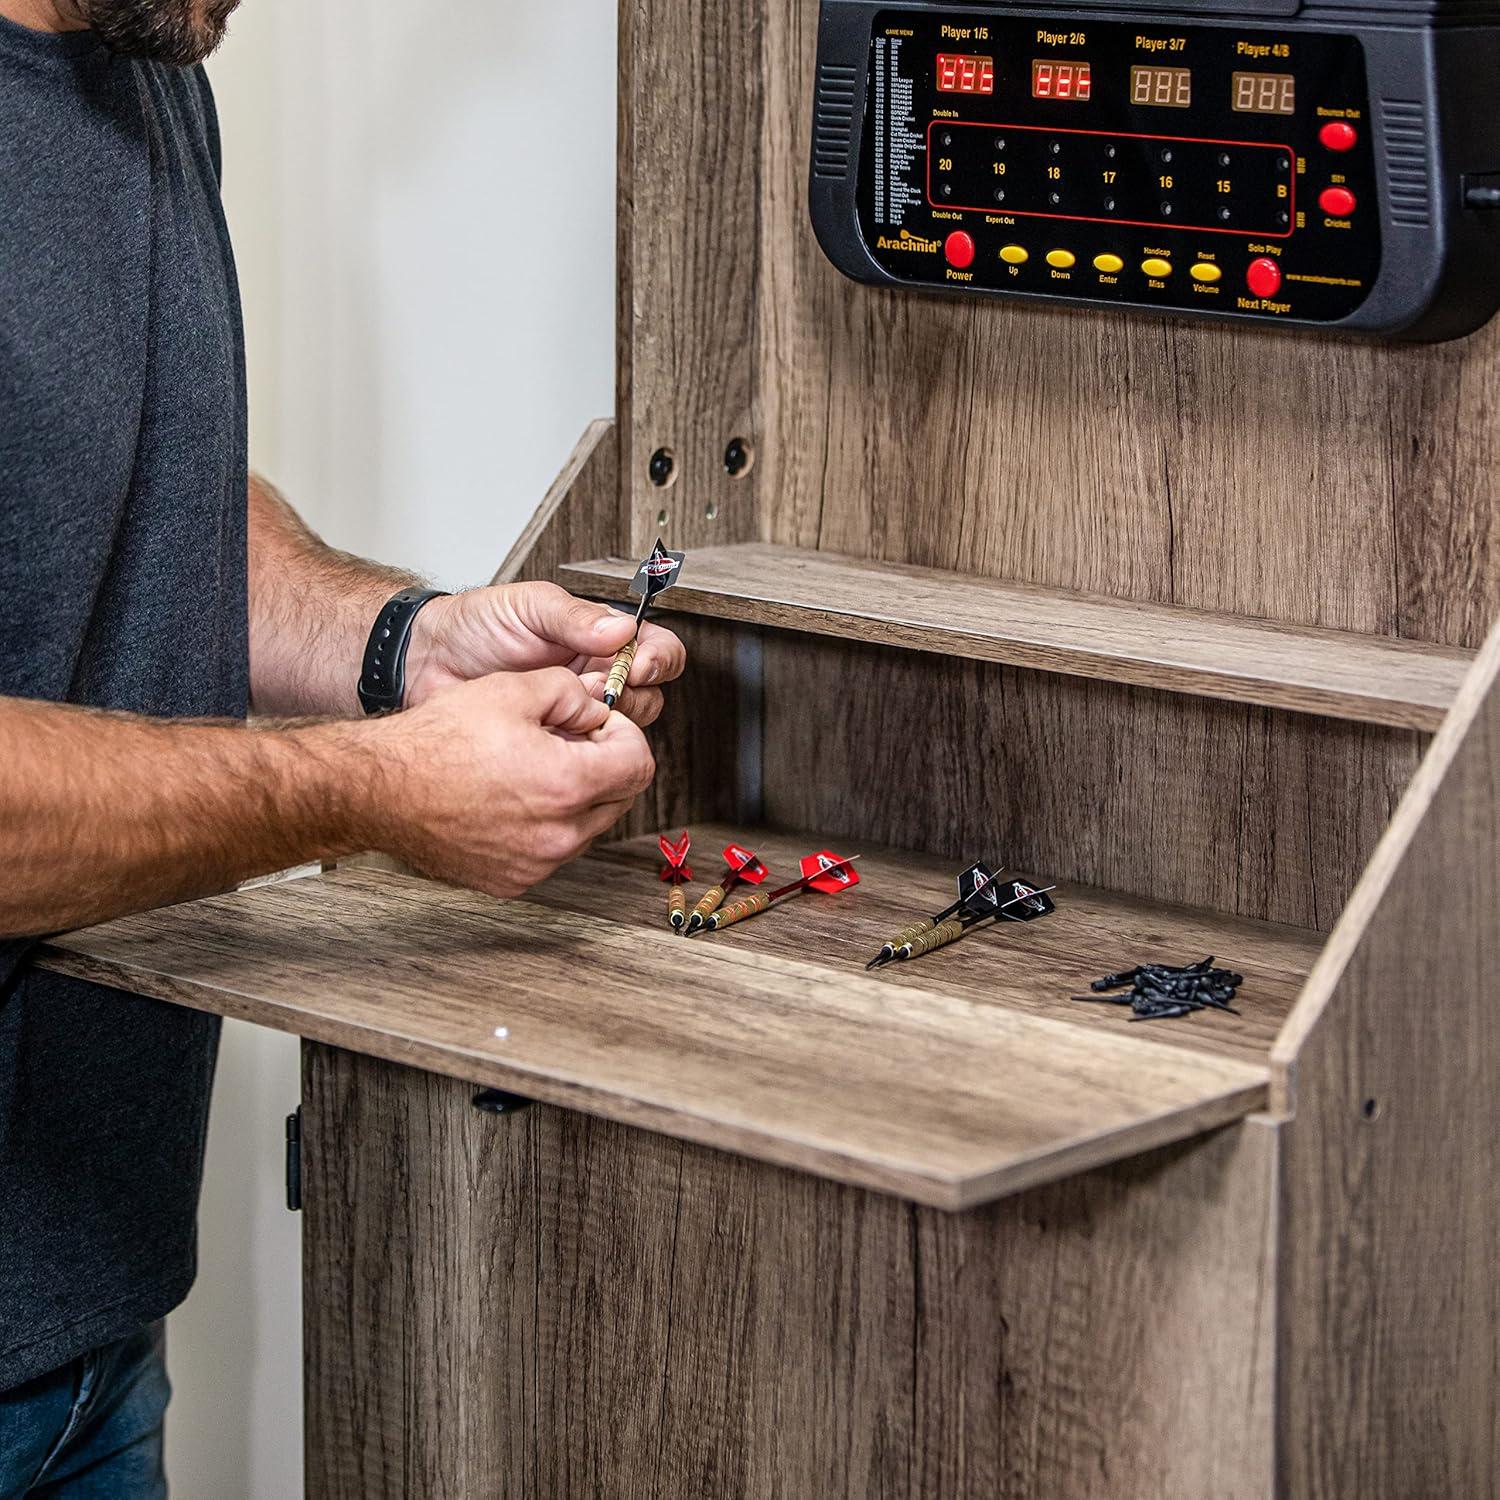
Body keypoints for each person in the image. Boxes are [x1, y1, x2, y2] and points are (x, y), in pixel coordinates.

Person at [0, 0, 684, 1490]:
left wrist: (407, 647)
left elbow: (123, 490)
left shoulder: (142, 65)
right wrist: (379, 790)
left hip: (87, 1324)